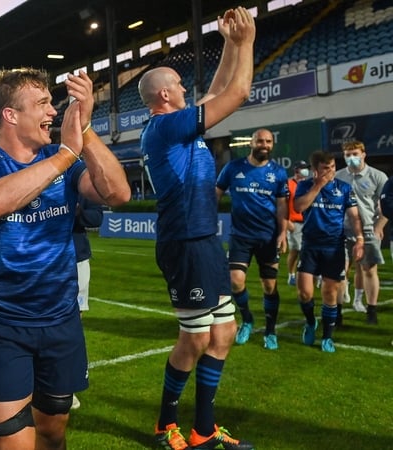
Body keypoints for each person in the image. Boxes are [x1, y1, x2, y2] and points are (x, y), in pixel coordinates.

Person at [0, 67, 130, 450]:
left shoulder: (61, 158)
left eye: (53, 101)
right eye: (42, 103)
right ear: (10, 115)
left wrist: (83, 128)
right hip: (2, 323)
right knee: (15, 443)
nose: (53, 110)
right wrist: (67, 153)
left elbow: (118, 194)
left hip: (60, 319)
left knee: (53, 431)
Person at [138, 7, 256, 450]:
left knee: (222, 334)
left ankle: (204, 431)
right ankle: (164, 424)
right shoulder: (167, 127)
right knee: (195, 338)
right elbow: (238, 91)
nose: (187, 89)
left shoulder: (178, 126)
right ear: (166, 95)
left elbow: (214, 92)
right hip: (184, 243)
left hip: (204, 240)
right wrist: (246, 41)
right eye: (180, 85)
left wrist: (227, 42)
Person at [215, 128, 289, 350]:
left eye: (268, 141)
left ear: (272, 145)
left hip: (267, 237)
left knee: (269, 286)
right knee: (235, 281)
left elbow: (282, 205)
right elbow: (216, 193)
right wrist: (207, 216)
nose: (264, 145)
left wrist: (283, 232)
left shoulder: (278, 173)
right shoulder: (233, 168)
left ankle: (270, 330)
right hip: (240, 235)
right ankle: (247, 319)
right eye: (260, 141)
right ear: (252, 143)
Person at [293, 150, 363, 352]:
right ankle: (310, 322)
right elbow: (298, 207)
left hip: (334, 246)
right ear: (315, 170)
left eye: (332, 167)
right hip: (310, 245)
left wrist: (359, 239)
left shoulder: (344, 188)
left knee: (329, 291)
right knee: (305, 293)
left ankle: (327, 337)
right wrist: (318, 185)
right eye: (325, 168)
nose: (331, 171)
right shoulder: (305, 185)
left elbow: (354, 216)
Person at [334, 141, 388, 324]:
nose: (351, 158)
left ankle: (371, 310)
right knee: (339, 272)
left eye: (355, 153)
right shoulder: (337, 176)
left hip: (368, 231)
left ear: (364, 154)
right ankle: (337, 312)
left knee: (369, 271)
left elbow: (387, 206)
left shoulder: (378, 177)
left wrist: (378, 227)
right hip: (341, 232)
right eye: (347, 155)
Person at [70, 195, 104, 410]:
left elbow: (96, 217)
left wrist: (78, 212)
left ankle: (65, 387)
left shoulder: (83, 181)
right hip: (44, 257)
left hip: (78, 260)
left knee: (73, 323)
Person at [286, 161, 310, 286]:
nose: (306, 171)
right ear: (296, 171)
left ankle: (309, 274)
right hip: (294, 221)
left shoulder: (309, 184)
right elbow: (282, 204)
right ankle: (291, 274)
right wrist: (287, 221)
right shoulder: (288, 184)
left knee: (309, 250)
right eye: (303, 169)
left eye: (306, 168)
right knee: (296, 249)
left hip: (309, 221)